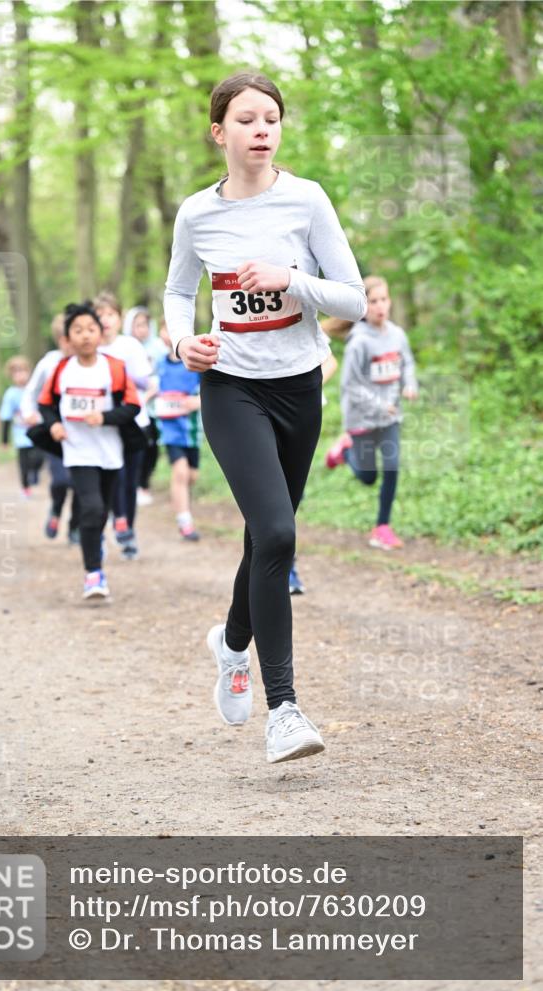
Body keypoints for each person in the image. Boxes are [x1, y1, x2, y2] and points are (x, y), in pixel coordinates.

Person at [164, 71, 366, 763]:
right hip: (230, 386)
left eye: (271, 119)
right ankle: (283, 709)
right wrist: (179, 340)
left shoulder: (306, 201)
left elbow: (353, 300)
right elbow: (176, 290)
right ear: (218, 132)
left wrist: (292, 281)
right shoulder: (196, 213)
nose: (261, 129)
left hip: (298, 386)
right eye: (246, 119)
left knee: (264, 540)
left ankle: (229, 644)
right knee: (277, 531)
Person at [36, 302, 142, 600]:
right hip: (77, 450)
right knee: (92, 508)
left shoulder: (115, 368)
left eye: (90, 329)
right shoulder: (61, 369)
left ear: (100, 333)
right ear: (67, 338)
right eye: (77, 330)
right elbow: (45, 404)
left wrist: (105, 418)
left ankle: (95, 553)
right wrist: (54, 424)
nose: (85, 336)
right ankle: (93, 575)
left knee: (101, 510)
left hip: (110, 451)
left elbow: (133, 406)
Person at [325, 275, 418, 550]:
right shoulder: (359, 342)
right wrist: (379, 405)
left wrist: (409, 384)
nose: (380, 306)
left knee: (392, 467)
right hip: (362, 418)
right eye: (373, 301)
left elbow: (408, 364)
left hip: (390, 417)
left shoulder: (397, 335)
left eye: (384, 300)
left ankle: (382, 527)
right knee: (369, 478)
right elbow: (350, 385)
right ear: (364, 307)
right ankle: (344, 451)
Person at [94, 292, 153, 560]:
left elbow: (147, 382)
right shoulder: (89, 348)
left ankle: (127, 529)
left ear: (119, 318)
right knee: (108, 480)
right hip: (103, 426)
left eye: (110, 314)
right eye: (101, 315)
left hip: (134, 422)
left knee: (129, 480)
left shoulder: (130, 346)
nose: (105, 320)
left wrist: (122, 376)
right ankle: (105, 530)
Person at [288, 325, 340, 596]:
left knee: (290, 500)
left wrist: (303, 385)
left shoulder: (304, 320)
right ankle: (283, 570)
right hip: (262, 413)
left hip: (301, 414)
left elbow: (330, 361)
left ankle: (287, 569)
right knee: (275, 501)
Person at [20, 315, 81, 542]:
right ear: (59, 340)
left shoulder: (88, 362)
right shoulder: (48, 363)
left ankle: (75, 526)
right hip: (54, 431)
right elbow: (30, 391)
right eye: (66, 339)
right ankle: (56, 510)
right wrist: (29, 413)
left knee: (80, 483)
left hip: (82, 433)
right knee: (61, 481)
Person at [155, 320, 202, 541]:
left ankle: (179, 500)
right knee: (180, 472)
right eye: (165, 328)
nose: (169, 333)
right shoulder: (158, 364)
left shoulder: (196, 361)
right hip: (170, 428)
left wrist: (197, 401)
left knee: (191, 476)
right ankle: (185, 521)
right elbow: (150, 387)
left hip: (192, 430)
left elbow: (210, 391)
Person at [123, 305, 167, 507]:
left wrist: (151, 392)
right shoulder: (123, 348)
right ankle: (132, 484)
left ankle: (144, 484)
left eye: (145, 325)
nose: (142, 329)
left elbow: (160, 375)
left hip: (155, 408)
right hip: (132, 407)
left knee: (152, 449)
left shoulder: (157, 349)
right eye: (137, 325)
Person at [0, 356, 44, 498]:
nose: (20, 376)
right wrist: (5, 441)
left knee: (39, 458)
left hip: (37, 432)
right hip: (21, 436)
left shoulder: (35, 390)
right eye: (16, 373)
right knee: (24, 463)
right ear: (12, 376)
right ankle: (25, 488)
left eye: (23, 371)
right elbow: (6, 417)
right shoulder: (11, 394)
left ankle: (35, 472)